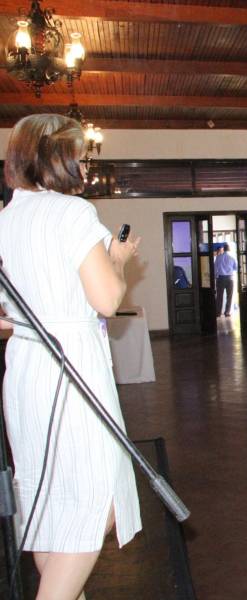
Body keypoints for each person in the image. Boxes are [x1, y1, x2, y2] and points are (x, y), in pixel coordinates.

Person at [0, 114, 142, 598]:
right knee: (98, 499)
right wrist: (117, 261)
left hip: (26, 368)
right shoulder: (72, 213)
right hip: (70, 368)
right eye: (78, 157)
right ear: (56, 158)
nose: (83, 167)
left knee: (50, 503)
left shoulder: (8, 218)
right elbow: (107, 300)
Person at [214, 242, 237, 317]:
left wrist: (215, 276)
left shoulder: (218, 257)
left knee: (219, 296)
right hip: (230, 279)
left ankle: (218, 313)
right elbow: (235, 268)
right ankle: (227, 312)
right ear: (229, 249)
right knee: (229, 296)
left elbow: (215, 268)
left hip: (220, 278)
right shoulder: (232, 257)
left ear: (223, 249)